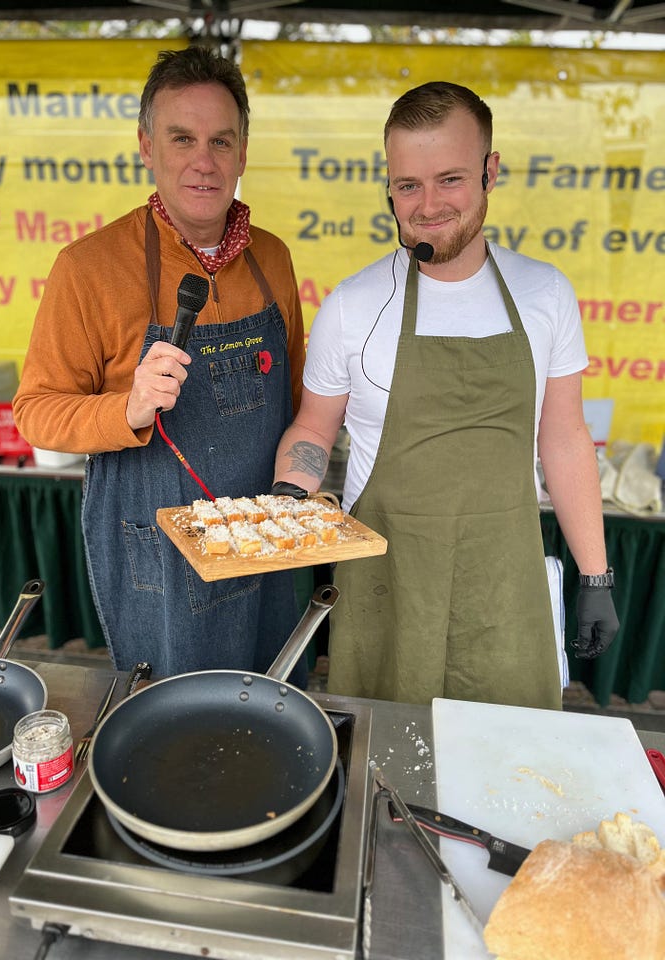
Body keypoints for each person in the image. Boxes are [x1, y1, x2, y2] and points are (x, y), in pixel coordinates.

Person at [273, 81, 619, 709]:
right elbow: (314, 428)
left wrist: (596, 574)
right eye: (408, 185)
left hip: (503, 586)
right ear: (388, 187)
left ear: (491, 172)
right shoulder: (353, 306)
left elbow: (564, 439)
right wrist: (286, 498)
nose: (427, 204)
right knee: (387, 772)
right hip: (386, 584)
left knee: (509, 771)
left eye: (450, 179)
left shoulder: (545, 294)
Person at [14, 46, 308, 684]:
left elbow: (297, 401)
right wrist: (128, 406)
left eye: (221, 141)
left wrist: (297, 500)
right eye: (182, 138)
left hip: (265, 546)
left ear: (243, 153)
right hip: (159, 558)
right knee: (174, 731)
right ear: (147, 146)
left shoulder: (274, 259)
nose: (204, 161)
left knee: (275, 706)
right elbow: (35, 413)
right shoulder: (88, 268)